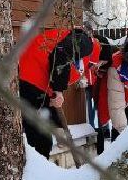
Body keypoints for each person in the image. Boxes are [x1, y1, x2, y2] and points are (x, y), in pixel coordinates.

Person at [16, 27, 96, 158]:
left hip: (32, 75)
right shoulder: (76, 43)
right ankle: (40, 163)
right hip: (31, 78)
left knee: (40, 123)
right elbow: (60, 60)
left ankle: (41, 157)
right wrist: (58, 92)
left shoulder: (73, 37)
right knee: (39, 130)